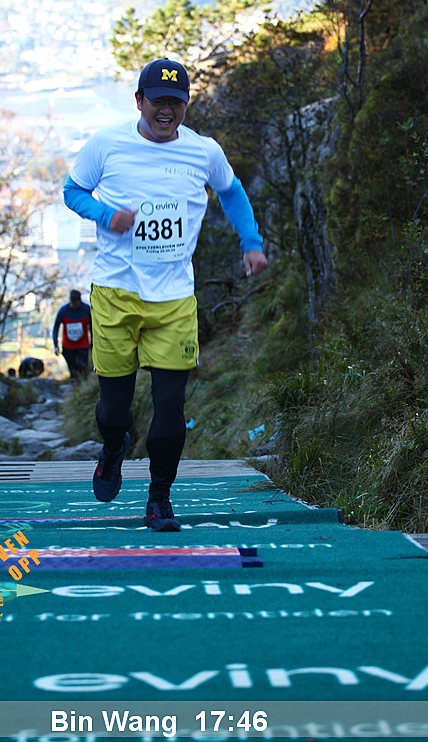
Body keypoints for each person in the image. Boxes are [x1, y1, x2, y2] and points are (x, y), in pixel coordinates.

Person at [63, 57, 268, 531]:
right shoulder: (107, 144)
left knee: (171, 407)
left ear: (186, 105)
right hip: (116, 292)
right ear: (139, 101)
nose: (166, 111)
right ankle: (113, 447)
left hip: (174, 298)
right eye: (158, 101)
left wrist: (251, 243)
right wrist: (105, 215)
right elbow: (73, 191)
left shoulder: (203, 151)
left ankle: (159, 498)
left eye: (176, 102)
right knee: (114, 409)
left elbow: (231, 191)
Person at [52, 289, 92, 379]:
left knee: (82, 368)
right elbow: (56, 328)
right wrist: (56, 345)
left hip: (83, 344)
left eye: (75, 303)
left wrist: (93, 343)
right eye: (72, 303)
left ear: (79, 301)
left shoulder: (86, 310)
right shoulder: (63, 310)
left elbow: (92, 327)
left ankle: (83, 384)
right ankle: (74, 383)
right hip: (68, 345)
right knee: (72, 369)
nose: (73, 305)